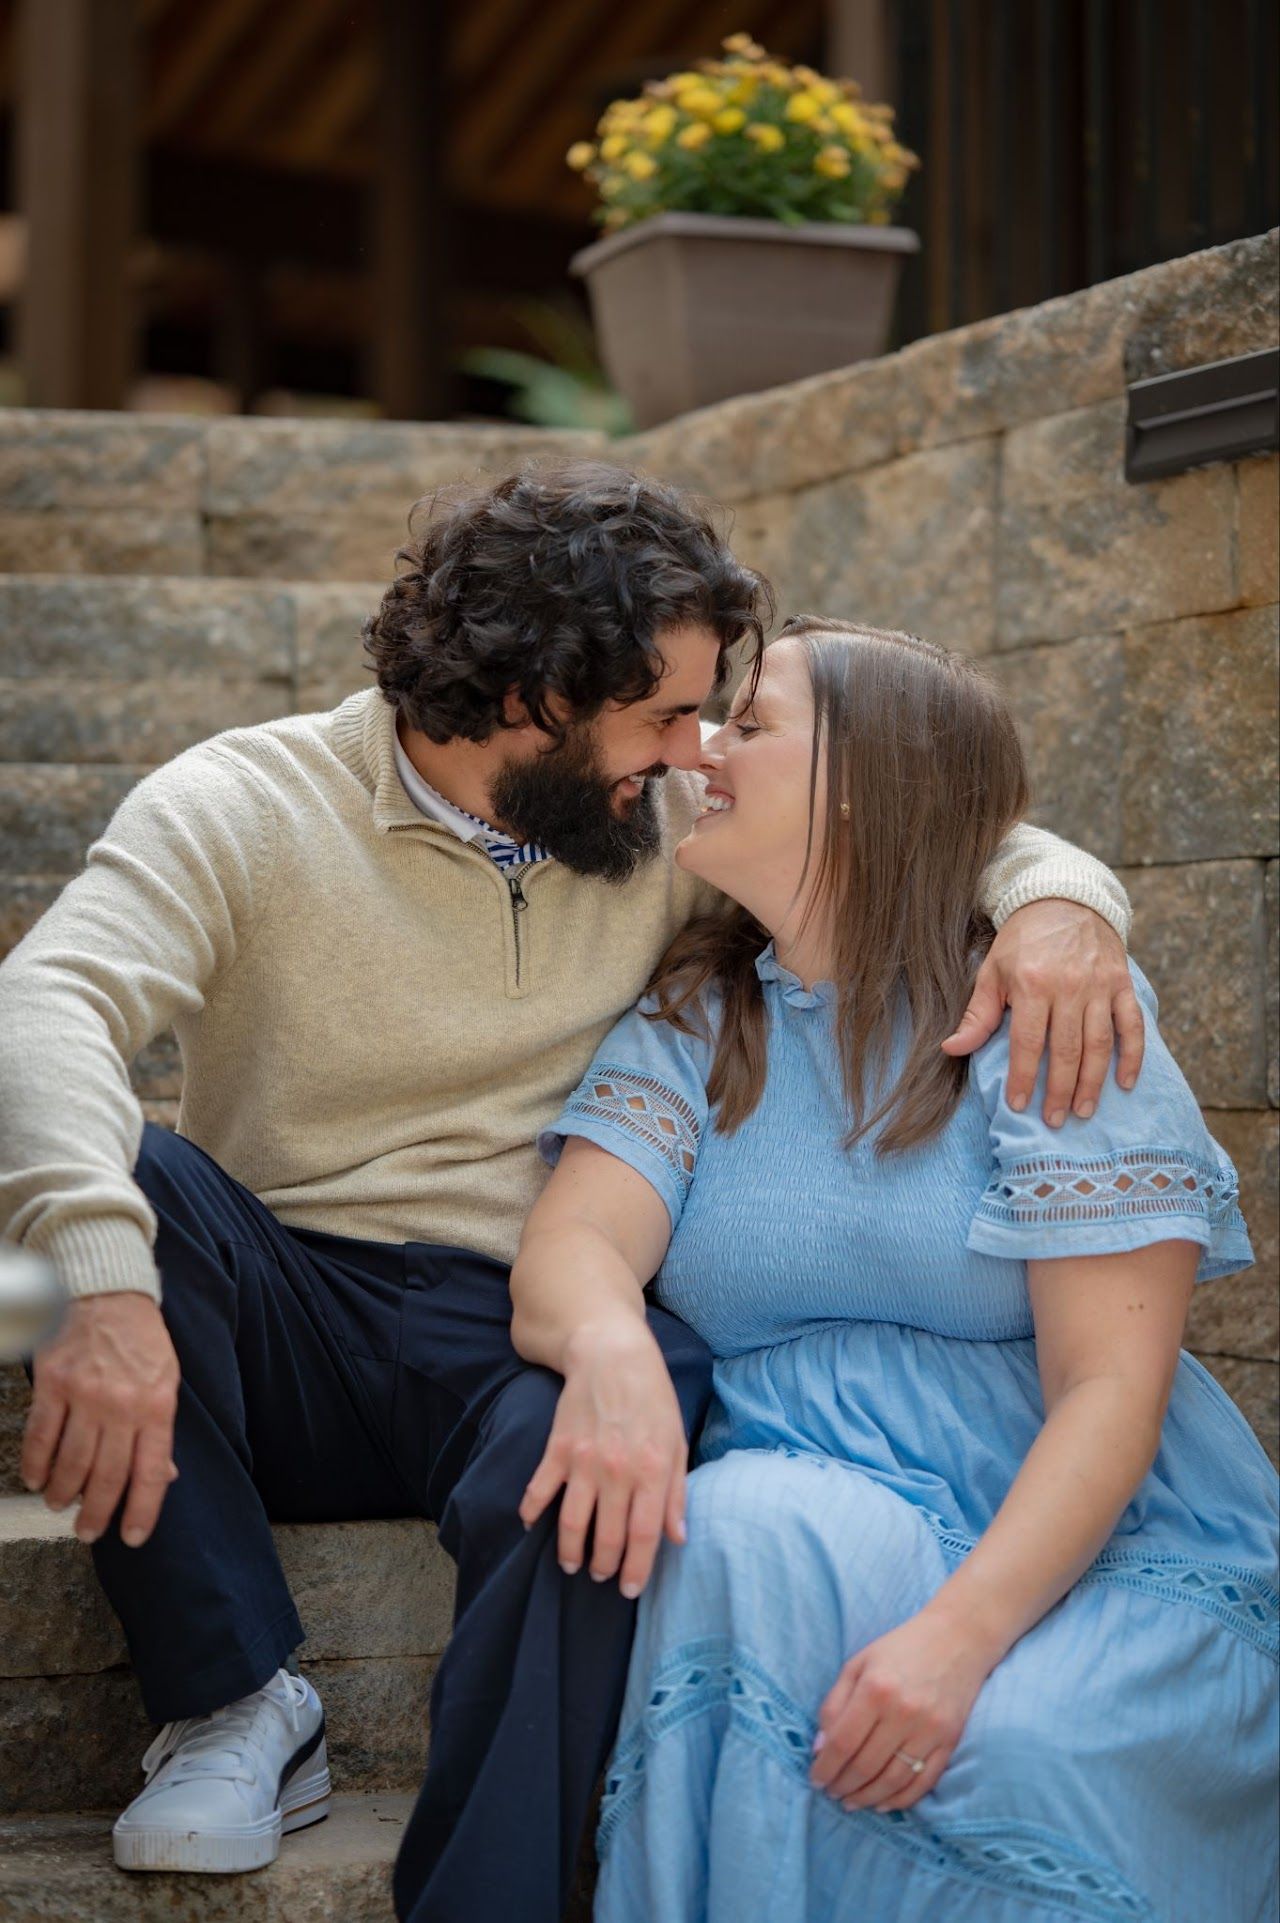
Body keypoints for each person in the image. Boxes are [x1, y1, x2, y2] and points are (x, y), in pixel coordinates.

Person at [0, 468, 1137, 1923]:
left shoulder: (657, 832)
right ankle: (229, 1704)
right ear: (538, 689)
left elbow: (929, 827)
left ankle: (493, 1895)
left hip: (511, 1325)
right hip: (280, 1306)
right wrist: (95, 1278)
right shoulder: (247, 801)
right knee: (129, 1189)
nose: (695, 749)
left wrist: (1062, 906)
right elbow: (49, 1006)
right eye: (665, 713)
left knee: (635, 1390)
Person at [512, 616, 1278, 1923]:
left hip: (1083, 1530)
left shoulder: (1052, 1008)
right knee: (744, 1532)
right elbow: (579, 1243)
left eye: (750, 724)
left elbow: (1108, 1391)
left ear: (864, 783)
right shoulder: (700, 1015)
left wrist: (959, 1639)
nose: (701, 747)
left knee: (1022, 1749)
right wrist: (612, 1349)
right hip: (821, 1493)